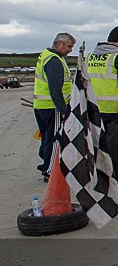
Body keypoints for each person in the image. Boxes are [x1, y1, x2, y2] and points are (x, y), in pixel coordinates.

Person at [87, 25, 118, 188]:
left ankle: (98, 176)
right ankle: (117, 177)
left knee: (96, 144)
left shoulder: (89, 58)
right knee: (114, 145)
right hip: (115, 110)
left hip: (93, 109)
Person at [33, 33, 75, 181]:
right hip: (52, 107)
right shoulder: (54, 61)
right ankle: (50, 171)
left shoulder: (45, 55)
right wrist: (63, 110)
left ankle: (46, 164)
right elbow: (55, 89)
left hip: (41, 105)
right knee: (54, 138)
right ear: (59, 43)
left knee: (46, 137)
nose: (71, 50)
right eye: (69, 46)